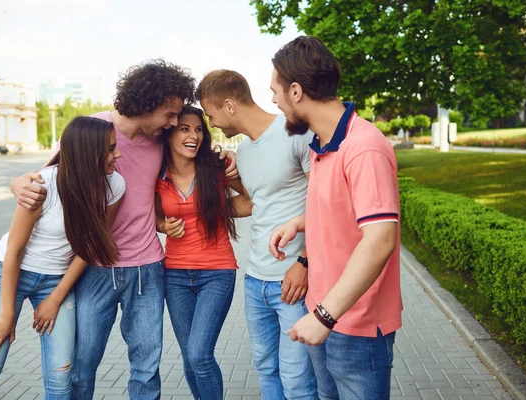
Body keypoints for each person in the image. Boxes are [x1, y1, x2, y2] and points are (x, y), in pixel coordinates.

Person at [10, 60, 237, 399]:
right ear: (148, 104)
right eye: (170, 114)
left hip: (147, 269)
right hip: (94, 269)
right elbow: (48, 176)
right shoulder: (93, 129)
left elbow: (183, 163)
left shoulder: (160, 139)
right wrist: (16, 183)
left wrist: (224, 157)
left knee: (147, 368)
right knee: (82, 364)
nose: (174, 123)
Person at [268, 36, 402, 400]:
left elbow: (380, 240)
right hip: (323, 313)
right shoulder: (323, 145)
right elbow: (342, 211)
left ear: (296, 91)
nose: (274, 101)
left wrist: (324, 316)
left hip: (354, 325)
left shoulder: (364, 147)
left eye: (276, 91)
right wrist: (298, 222)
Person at [0, 116, 125, 400]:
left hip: (58, 280)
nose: (118, 154)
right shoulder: (43, 186)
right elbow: (13, 251)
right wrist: (7, 316)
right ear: (89, 153)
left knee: (61, 378)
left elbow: (90, 246)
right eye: (111, 149)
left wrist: (55, 298)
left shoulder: (114, 186)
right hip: (10, 273)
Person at [196, 70, 318, 399]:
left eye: (210, 114)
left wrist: (305, 262)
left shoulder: (297, 133)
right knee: (266, 368)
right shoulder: (246, 153)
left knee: (297, 378)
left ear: (229, 105)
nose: (212, 123)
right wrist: (202, 196)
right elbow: (251, 203)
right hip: (255, 281)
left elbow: (324, 204)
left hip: (292, 278)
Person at [155, 105, 251, 399]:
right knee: (189, 357)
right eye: (184, 129)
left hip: (216, 272)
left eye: (198, 129)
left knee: (199, 354)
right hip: (175, 275)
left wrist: (217, 209)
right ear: (170, 133)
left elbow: (249, 201)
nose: (193, 136)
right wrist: (163, 225)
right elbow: (153, 216)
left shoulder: (217, 167)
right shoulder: (157, 174)